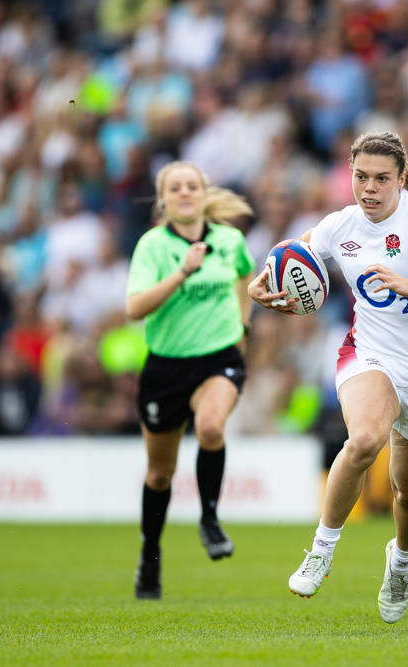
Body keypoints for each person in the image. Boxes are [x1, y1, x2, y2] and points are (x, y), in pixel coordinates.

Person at [247, 131, 408, 624]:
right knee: (362, 441)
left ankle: (400, 563)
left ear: (401, 180)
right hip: (369, 352)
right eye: (361, 177)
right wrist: (262, 285)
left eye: (382, 179)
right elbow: (292, 258)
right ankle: (320, 550)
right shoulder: (340, 225)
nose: (370, 188)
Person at [125, 161, 256, 600]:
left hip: (218, 358)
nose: (185, 193)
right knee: (160, 474)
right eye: (175, 187)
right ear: (164, 200)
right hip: (166, 367)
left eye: (192, 186)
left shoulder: (229, 240)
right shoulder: (153, 247)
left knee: (211, 427)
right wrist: (182, 272)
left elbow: (244, 274)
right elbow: (135, 308)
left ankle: (210, 519)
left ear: (204, 193)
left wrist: (243, 325)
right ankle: (150, 555)